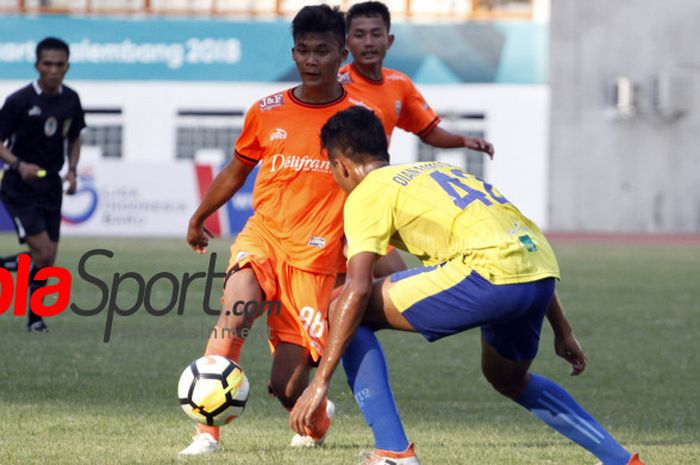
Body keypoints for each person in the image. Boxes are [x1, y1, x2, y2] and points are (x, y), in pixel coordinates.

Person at [290, 107, 644, 465]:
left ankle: (393, 452)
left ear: (341, 166)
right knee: (506, 377)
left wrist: (320, 382)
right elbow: (516, 240)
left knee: (341, 307)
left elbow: (358, 287)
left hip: (487, 273)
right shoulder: (439, 170)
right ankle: (620, 460)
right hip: (538, 274)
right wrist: (563, 329)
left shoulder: (367, 192)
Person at [180, 5, 384, 456]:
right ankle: (206, 433)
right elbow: (236, 170)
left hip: (315, 260)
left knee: (287, 388)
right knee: (235, 312)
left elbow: (376, 186)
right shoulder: (266, 111)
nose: (312, 61)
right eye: (304, 51)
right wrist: (200, 216)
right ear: (294, 52)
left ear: (341, 52)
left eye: (323, 51)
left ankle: (318, 414)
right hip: (264, 238)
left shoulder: (357, 118)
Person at [0, 37, 85, 333]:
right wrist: (18, 164)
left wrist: (72, 170)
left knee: (48, 260)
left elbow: (75, 136)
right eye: (47, 64)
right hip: (19, 185)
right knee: (43, 253)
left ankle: (35, 320)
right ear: (37, 65)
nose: (53, 70)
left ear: (67, 67)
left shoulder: (71, 99)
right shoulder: (19, 101)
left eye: (59, 65)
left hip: (51, 184)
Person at [340, 1, 494, 156]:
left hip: (372, 178)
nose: (368, 43)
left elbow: (428, 131)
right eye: (359, 35)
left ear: (389, 41)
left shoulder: (400, 83)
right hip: (331, 178)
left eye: (376, 34)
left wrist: (463, 140)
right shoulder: (336, 83)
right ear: (347, 43)